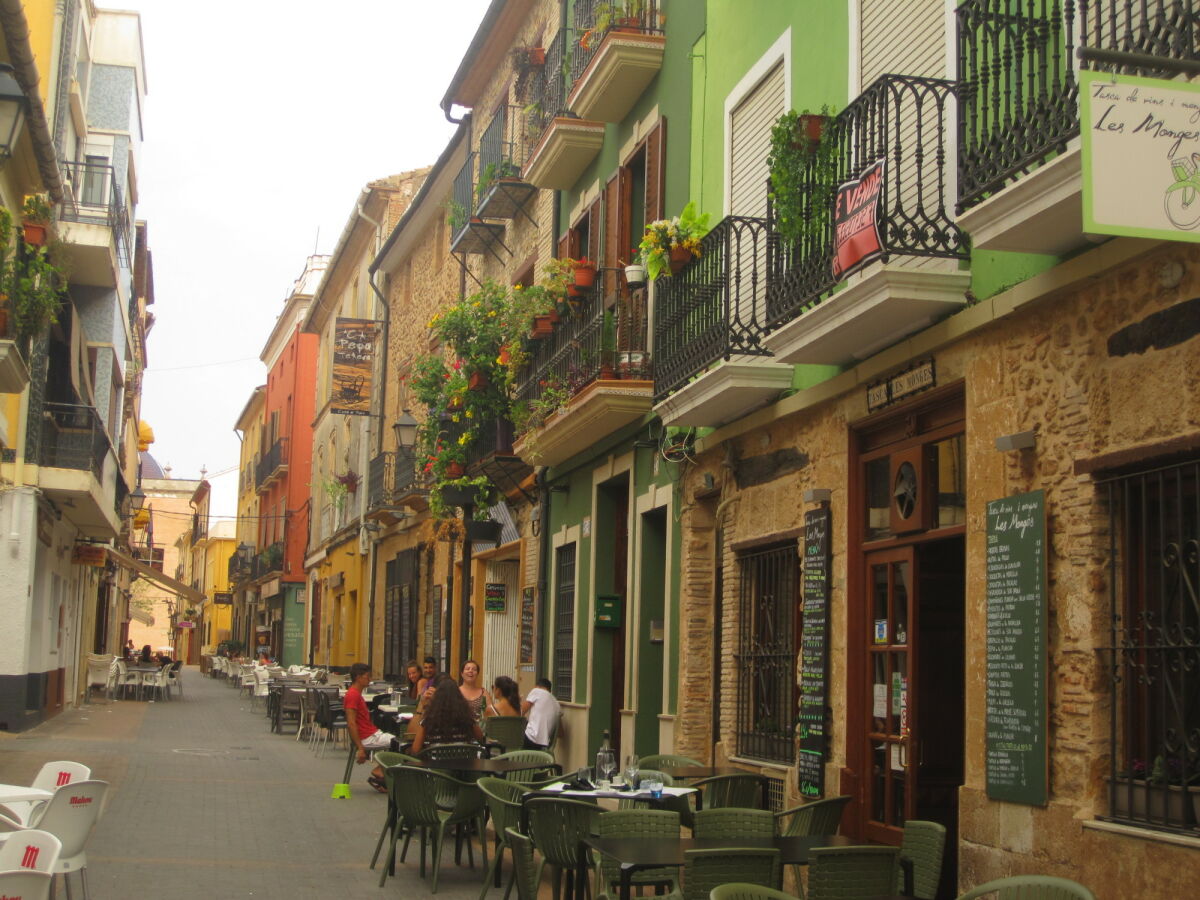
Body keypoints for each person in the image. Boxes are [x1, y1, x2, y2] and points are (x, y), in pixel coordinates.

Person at [344, 662, 394, 793]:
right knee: (400, 744)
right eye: (367, 676)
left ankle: (383, 775)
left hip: (371, 734)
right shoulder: (353, 695)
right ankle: (380, 770)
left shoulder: (356, 694)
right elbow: (351, 723)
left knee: (398, 741)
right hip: (367, 737)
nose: (369, 679)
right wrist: (360, 748)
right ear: (359, 677)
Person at [409, 674, 484, 754]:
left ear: (437, 697)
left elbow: (415, 750)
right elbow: (480, 738)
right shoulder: (467, 718)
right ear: (459, 696)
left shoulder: (429, 720)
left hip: (436, 765)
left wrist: (423, 706)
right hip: (464, 764)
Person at [522, 677, 561, 751]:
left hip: (530, 738)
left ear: (537, 686)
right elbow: (560, 733)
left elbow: (520, 712)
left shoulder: (537, 691)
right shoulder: (557, 704)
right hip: (544, 745)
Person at [458, 659, 487, 724]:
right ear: (462, 673)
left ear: (477, 674)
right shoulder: (456, 692)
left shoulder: (484, 692)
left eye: (474, 669)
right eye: (467, 669)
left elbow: (490, 713)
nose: (470, 671)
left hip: (480, 730)